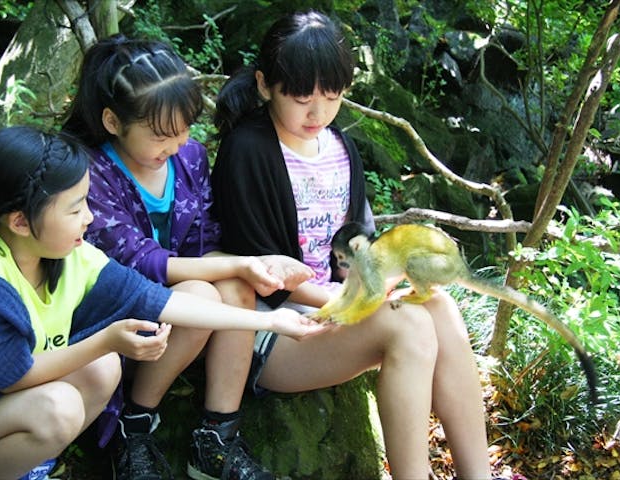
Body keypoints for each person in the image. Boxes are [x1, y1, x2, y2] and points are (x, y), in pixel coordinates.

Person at [0, 126, 325, 480]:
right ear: (20, 222)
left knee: (101, 372)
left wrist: (275, 322)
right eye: (75, 209)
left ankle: (20, 464)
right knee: (61, 406)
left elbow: (156, 300)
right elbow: (14, 377)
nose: (89, 217)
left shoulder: (70, 255)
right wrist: (106, 340)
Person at [211, 10, 498, 480]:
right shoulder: (247, 150)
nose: (317, 112)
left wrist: (377, 284)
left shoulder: (341, 148)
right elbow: (263, 277)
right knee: (408, 327)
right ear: (265, 86)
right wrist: (348, 301)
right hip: (275, 331)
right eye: (301, 97)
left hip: (336, 313)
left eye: (331, 96)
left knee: (439, 306)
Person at [61, 35, 314, 480]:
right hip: (111, 315)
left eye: (184, 129)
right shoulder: (90, 172)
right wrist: (236, 262)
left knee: (235, 286)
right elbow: (142, 263)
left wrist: (258, 266)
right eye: (161, 134)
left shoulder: (189, 158)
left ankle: (217, 437)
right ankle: (134, 426)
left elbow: (205, 240)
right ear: (113, 121)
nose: (176, 144)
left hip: (176, 317)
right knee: (204, 290)